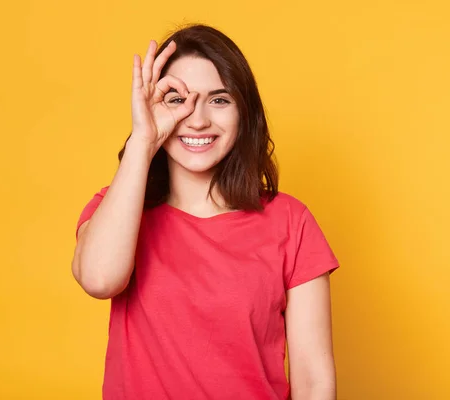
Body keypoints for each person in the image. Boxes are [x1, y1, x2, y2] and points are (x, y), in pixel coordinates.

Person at [72, 24, 340, 400]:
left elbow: (313, 380)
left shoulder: (291, 221)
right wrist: (143, 139)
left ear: (243, 113)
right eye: (178, 99)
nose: (197, 120)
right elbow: (99, 280)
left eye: (219, 100)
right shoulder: (116, 209)